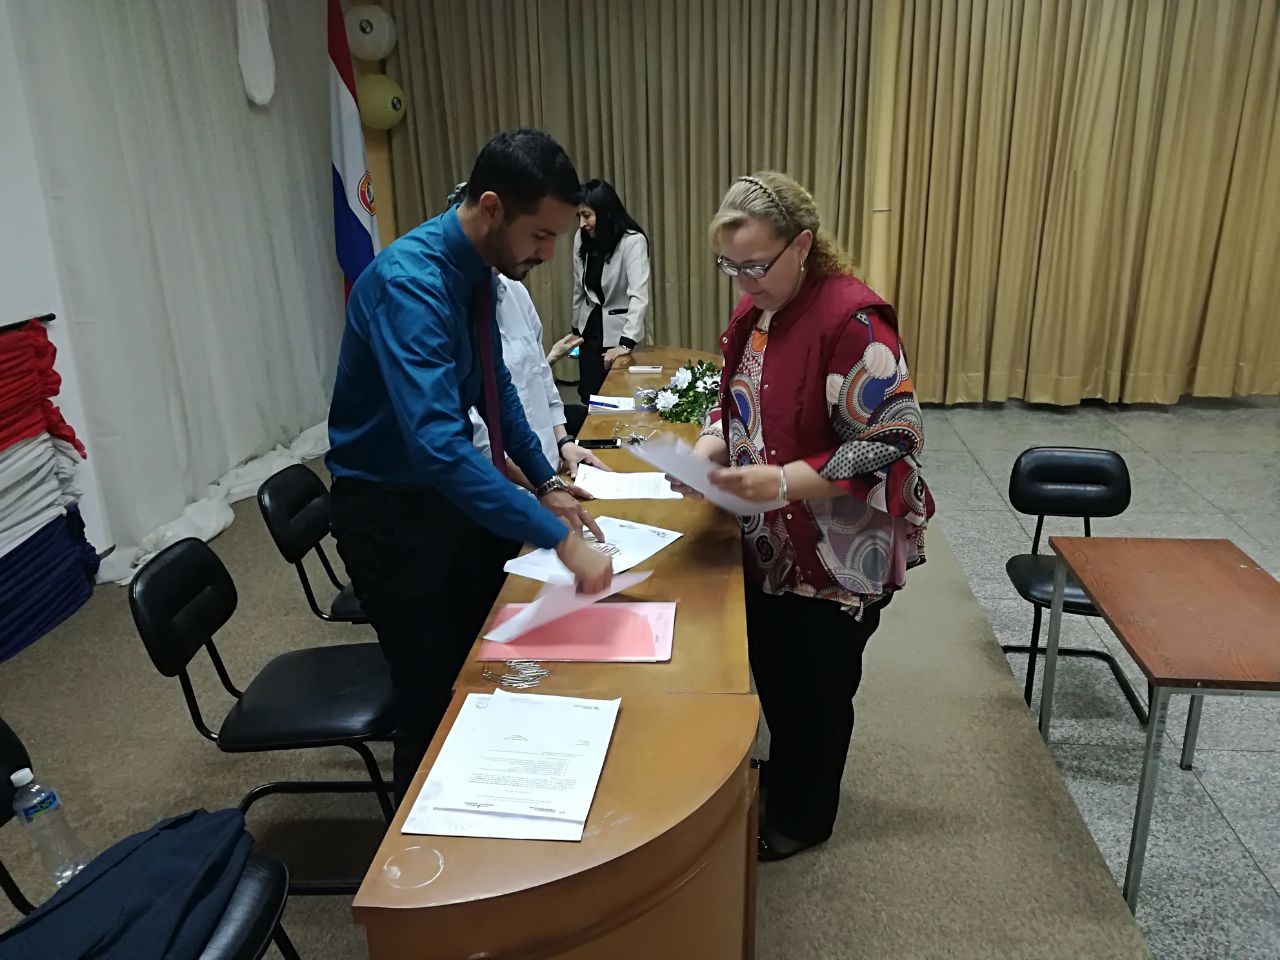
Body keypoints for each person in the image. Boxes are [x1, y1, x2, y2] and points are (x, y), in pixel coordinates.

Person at [326, 129, 613, 802]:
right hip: (391, 510)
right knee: (429, 691)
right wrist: (559, 540)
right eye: (540, 236)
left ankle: (494, 804)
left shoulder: (479, 270)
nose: (546, 254)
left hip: (445, 496)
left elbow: (494, 387)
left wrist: (545, 481)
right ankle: (419, 861)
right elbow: (439, 446)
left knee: (490, 657)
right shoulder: (412, 284)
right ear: (491, 208)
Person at [670, 172, 934, 861]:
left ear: (803, 246)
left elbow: (893, 437)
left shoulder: (853, 321)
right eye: (730, 266)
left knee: (817, 696)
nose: (743, 281)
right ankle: (783, 780)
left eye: (756, 264)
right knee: (781, 678)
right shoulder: (757, 312)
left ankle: (802, 820)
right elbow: (731, 399)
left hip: (835, 557)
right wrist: (707, 444)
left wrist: (785, 479)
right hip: (771, 542)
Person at [443, 182, 610, 484]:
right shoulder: (445, 306)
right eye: (536, 236)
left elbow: (540, 373)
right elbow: (474, 435)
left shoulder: (516, 292)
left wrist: (564, 442)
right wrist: (542, 488)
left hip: (545, 467)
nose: (545, 253)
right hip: (505, 484)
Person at [571, 179, 650, 409]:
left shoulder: (632, 241)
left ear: (604, 212)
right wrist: (575, 329)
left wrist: (625, 344)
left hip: (620, 332)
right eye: (579, 216)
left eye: (587, 215)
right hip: (590, 328)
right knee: (590, 396)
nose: (582, 223)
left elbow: (639, 295)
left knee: (618, 398)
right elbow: (579, 287)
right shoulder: (581, 238)